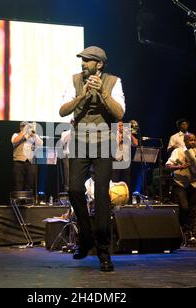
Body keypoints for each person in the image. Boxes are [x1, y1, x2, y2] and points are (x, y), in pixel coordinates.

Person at [59, 46, 125, 272]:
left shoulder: (114, 82)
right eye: (82, 60)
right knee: (75, 190)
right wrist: (83, 95)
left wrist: (103, 94)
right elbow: (62, 111)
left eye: (87, 60)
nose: (82, 64)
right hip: (79, 141)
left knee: (101, 196)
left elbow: (120, 114)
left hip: (104, 141)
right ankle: (86, 238)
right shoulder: (75, 80)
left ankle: (104, 251)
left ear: (99, 64)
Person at [166, 133, 196, 246]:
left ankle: (190, 234)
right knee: (184, 207)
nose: (193, 142)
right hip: (180, 184)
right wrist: (179, 167)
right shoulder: (177, 151)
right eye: (191, 140)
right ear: (185, 141)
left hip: (192, 184)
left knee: (193, 209)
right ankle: (182, 231)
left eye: (194, 140)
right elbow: (168, 166)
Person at [11, 121, 43, 192]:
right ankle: (18, 201)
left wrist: (34, 135)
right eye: (23, 126)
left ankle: (29, 201)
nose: (25, 128)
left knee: (30, 183)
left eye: (26, 127)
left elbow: (40, 144)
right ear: (20, 128)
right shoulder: (16, 135)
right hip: (19, 162)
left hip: (30, 162)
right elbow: (14, 141)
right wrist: (24, 133)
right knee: (18, 183)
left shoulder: (32, 136)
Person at [112, 121, 138, 195]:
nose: (121, 127)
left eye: (122, 125)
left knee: (126, 180)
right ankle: (114, 197)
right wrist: (119, 139)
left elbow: (136, 143)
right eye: (119, 126)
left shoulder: (127, 135)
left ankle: (126, 198)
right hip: (116, 160)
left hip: (125, 161)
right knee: (115, 180)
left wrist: (130, 134)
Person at [59, 119, 75, 192]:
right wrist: (71, 133)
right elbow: (62, 142)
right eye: (73, 122)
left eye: (75, 122)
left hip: (78, 156)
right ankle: (67, 191)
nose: (74, 124)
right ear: (70, 123)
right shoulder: (65, 133)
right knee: (67, 174)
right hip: (68, 155)